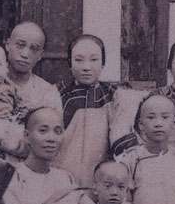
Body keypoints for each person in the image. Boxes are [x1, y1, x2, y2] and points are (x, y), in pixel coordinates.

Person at [54, 34, 137, 188]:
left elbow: (122, 142)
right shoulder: (57, 94)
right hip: (61, 181)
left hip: (100, 185)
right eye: (79, 60)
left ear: (103, 63)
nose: (86, 67)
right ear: (69, 63)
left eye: (94, 60)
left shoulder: (114, 96)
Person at [3, 107, 81, 204]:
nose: (51, 138)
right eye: (43, 131)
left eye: (58, 131)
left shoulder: (66, 179)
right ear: (26, 136)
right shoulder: (12, 178)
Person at [4, 21, 63, 113]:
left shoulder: (48, 94)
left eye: (34, 49)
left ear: (40, 55)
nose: (25, 54)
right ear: (7, 44)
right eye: (20, 45)